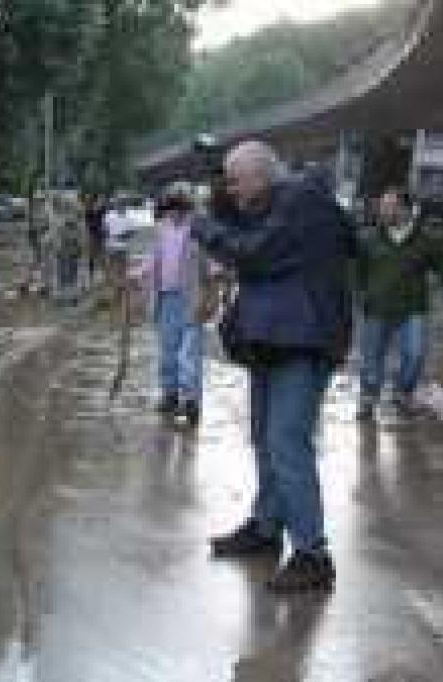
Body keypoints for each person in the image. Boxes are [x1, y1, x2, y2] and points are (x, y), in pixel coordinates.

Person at [192, 141, 357, 592]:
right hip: (276, 340)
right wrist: (218, 200)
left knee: (286, 440)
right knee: (266, 437)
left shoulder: (303, 200)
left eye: (234, 180)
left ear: (263, 174)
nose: (231, 189)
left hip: (302, 341)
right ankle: (267, 527)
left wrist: (204, 226)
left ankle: (312, 553)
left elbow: (255, 252)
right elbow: (244, 232)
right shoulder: (279, 202)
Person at [355, 188, 443, 421]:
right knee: (371, 358)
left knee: (414, 355)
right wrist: (361, 295)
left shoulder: (426, 239)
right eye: (383, 205)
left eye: (390, 206)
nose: (383, 210)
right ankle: (368, 399)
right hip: (376, 308)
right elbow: (357, 272)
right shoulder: (369, 238)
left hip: (412, 309)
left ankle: (402, 393)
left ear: (405, 209)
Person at [143, 183, 221, 426]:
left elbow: (211, 265)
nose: (174, 213)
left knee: (189, 355)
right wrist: (138, 274)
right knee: (167, 352)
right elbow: (153, 260)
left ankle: (191, 402)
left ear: (188, 209)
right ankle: (170, 395)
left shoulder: (198, 232)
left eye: (179, 208)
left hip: (191, 300)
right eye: (170, 208)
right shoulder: (161, 231)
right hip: (165, 298)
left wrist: (214, 291)